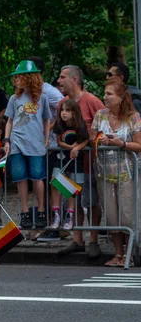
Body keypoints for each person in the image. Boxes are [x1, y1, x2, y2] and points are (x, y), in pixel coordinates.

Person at [90, 80, 141, 267]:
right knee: (112, 216)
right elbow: (91, 138)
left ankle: (129, 253)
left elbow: (139, 145)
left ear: (121, 97)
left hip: (127, 173)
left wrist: (121, 144)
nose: (105, 97)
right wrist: (99, 139)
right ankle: (117, 253)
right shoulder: (100, 115)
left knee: (127, 215)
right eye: (105, 93)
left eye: (110, 94)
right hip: (104, 173)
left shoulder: (133, 117)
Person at [56, 65, 105, 258]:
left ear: (74, 80)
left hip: (90, 164)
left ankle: (93, 240)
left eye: (62, 77)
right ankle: (77, 240)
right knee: (72, 201)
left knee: (92, 201)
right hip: (69, 164)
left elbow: (104, 124)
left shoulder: (92, 101)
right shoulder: (62, 104)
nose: (59, 81)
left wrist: (89, 141)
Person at [3, 60, 51, 236]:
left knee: (37, 176)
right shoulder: (14, 98)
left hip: (36, 142)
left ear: (29, 78)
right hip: (17, 142)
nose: (16, 80)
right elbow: (9, 120)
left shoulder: (42, 97)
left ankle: (40, 210)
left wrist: (46, 139)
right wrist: (7, 139)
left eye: (19, 77)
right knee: (20, 177)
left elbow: (46, 119)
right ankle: (23, 211)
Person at [46, 99, 88, 239]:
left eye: (67, 110)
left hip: (76, 160)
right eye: (62, 110)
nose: (64, 113)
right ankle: (56, 214)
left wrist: (77, 148)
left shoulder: (80, 125)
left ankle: (70, 215)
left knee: (73, 187)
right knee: (55, 182)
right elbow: (59, 141)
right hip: (62, 157)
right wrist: (71, 148)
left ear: (74, 112)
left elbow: (85, 140)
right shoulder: (59, 125)